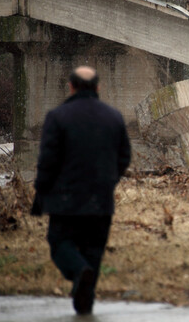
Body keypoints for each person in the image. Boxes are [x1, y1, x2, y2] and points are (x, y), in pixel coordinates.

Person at [31, 65, 131, 315]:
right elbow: (124, 157)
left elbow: (48, 161)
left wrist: (42, 193)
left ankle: (78, 272)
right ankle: (84, 306)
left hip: (65, 199)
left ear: (71, 86)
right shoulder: (114, 116)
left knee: (59, 243)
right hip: (101, 199)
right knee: (94, 252)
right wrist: (109, 181)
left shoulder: (58, 116)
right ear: (98, 87)